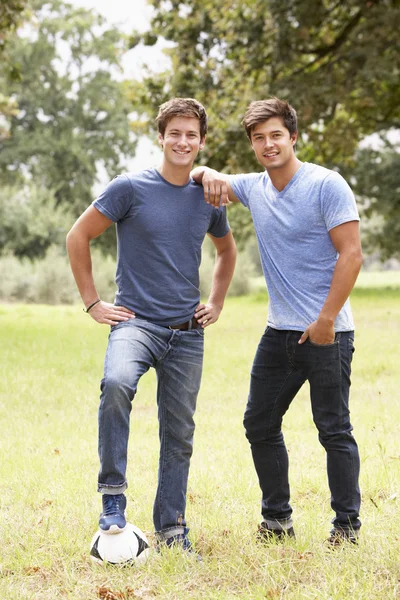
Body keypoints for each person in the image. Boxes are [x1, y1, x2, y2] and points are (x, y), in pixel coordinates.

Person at [66, 97, 236, 552]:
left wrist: (215, 301)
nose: (183, 142)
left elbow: (226, 252)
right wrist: (93, 304)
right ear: (160, 137)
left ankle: (172, 527)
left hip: (187, 333)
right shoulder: (129, 188)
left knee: (179, 431)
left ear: (201, 141)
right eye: (174, 133)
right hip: (135, 324)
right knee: (117, 383)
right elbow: (77, 236)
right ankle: (113, 498)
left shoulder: (207, 196)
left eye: (192, 135)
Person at [192, 97, 363, 545]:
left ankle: (346, 526)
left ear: (293, 137)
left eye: (276, 136)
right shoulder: (254, 187)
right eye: (259, 138)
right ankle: (277, 520)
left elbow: (352, 253)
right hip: (278, 333)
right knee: (259, 425)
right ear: (252, 144)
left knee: (334, 430)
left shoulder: (326, 185)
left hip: (328, 334)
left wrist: (326, 321)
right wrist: (203, 173)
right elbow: (206, 178)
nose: (269, 145)